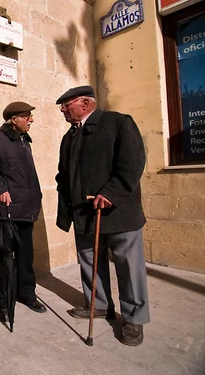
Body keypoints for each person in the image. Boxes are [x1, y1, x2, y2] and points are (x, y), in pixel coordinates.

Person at [55, 85, 149, 347]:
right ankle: (98, 305)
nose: (63, 109)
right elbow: (64, 172)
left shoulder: (117, 123)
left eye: (67, 104)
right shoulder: (69, 137)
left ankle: (134, 318)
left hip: (119, 212)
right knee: (90, 264)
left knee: (128, 267)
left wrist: (110, 193)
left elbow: (132, 163)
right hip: (84, 213)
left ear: (86, 103)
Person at [0, 101, 47, 323]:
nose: (31, 120)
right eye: (26, 116)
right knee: (3, 259)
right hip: (6, 212)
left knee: (26, 257)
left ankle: (26, 294)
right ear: (13, 119)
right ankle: (1, 302)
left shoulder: (24, 141)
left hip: (26, 210)